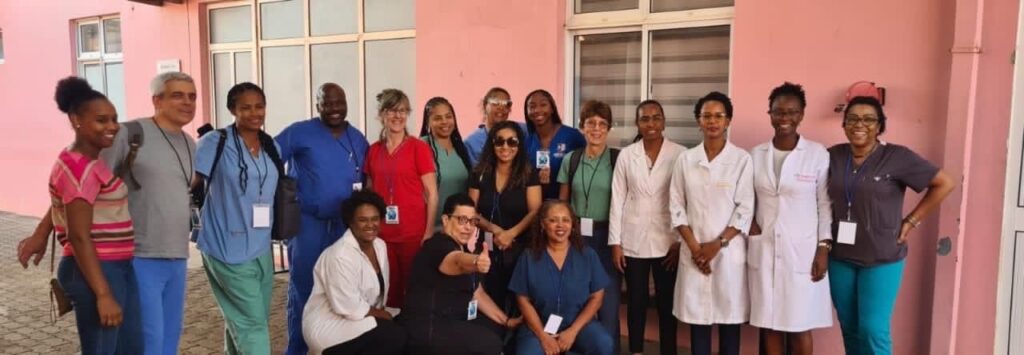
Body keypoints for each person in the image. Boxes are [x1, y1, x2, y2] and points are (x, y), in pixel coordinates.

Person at [20, 72, 199, 355]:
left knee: (166, 341)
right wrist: (41, 233)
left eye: (192, 96)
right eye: (177, 95)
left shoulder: (190, 144)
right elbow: (78, 192)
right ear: (157, 100)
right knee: (145, 341)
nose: (187, 102)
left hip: (176, 255)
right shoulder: (129, 135)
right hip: (136, 256)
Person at [826, 96, 954, 355]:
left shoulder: (897, 156)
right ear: (844, 124)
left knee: (873, 329)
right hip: (840, 257)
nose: (859, 124)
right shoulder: (833, 155)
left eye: (868, 119)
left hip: (882, 257)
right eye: (852, 119)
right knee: (850, 327)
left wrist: (911, 221)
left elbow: (945, 183)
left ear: (880, 125)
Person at [24, 76, 143, 354]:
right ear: (76, 120)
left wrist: (41, 232)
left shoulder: (87, 160)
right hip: (96, 271)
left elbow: (68, 207)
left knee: (131, 347)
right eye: (101, 120)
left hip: (117, 266)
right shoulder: (79, 167)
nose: (112, 126)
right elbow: (78, 236)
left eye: (114, 118)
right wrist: (103, 294)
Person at [276, 83, 370, 355]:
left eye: (339, 103)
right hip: (308, 225)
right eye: (327, 103)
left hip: (344, 226)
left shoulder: (357, 137)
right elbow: (269, 157)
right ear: (317, 105)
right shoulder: (299, 132)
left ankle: (334, 345)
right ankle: (298, 348)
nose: (334, 109)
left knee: (343, 286)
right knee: (304, 286)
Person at [193, 82, 278, 355]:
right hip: (226, 247)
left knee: (248, 320)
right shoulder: (214, 143)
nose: (254, 113)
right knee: (252, 324)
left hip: (261, 248)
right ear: (232, 110)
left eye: (259, 106)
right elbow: (188, 182)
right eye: (246, 107)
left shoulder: (270, 145)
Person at [747, 83, 832, 355]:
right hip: (765, 247)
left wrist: (823, 247)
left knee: (799, 324)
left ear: (802, 114)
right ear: (769, 114)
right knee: (769, 322)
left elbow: (824, 203)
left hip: (802, 250)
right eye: (778, 112)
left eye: (792, 112)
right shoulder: (755, 154)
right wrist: (750, 223)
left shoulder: (817, 154)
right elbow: (746, 197)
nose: (785, 118)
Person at [670, 92, 754, 355]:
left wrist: (717, 244)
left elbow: (745, 208)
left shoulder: (741, 159)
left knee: (729, 323)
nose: (713, 121)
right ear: (699, 121)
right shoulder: (686, 159)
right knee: (699, 324)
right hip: (694, 251)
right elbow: (676, 205)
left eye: (719, 116)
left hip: (727, 252)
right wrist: (696, 249)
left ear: (728, 120)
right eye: (707, 116)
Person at [400, 193, 522, 354]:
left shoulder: (462, 247)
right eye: (462, 220)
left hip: (455, 317)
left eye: (472, 221)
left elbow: (477, 293)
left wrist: (506, 321)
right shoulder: (437, 245)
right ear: (445, 220)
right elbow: (455, 261)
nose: (468, 227)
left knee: (496, 329)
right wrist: (476, 261)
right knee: (489, 344)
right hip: (428, 324)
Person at [608, 100, 685, 355]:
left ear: (663, 121)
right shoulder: (627, 155)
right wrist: (616, 243)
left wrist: (680, 241)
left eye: (656, 118)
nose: (651, 124)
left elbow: (687, 200)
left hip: (669, 239)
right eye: (645, 119)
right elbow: (617, 198)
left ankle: (669, 350)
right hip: (633, 238)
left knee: (666, 302)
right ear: (637, 124)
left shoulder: (680, 154)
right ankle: (637, 350)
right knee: (636, 301)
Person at [303, 190, 406, 355]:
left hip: (362, 317)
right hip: (330, 327)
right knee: (394, 336)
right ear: (351, 222)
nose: (370, 225)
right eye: (362, 220)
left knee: (411, 324)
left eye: (374, 219)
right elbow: (349, 307)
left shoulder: (380, 245)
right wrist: (384, 316)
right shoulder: (339, 255)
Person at [556, 100, 621, 352]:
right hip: (575, 236)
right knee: (575, 297)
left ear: (609, 128)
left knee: (608, 301)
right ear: (582, 127)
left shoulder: (618, 159)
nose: (596, 128)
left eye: (602, 124)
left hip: (606, 236)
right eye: (590, 123)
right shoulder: (571, 160)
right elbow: (562, 203)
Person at [364, 88, 439, 307]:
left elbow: (432, 193)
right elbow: (370, 192)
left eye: (403, 111)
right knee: (387, 289)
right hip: (382, 235)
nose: (398, 116)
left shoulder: (419, 148)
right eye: (392, 111)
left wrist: (428, 231)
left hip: (413, 234)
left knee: (414, 289)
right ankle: (392, 334)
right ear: (381, 115)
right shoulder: (374, 150)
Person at [510, 200, 613, 355]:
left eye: (565, 220)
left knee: (603, 343)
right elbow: (522, 299)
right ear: (542, 225)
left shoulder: (587, 255)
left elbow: (597, 297)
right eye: (553, 220)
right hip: (539, 326)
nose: (560, 225)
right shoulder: (528, 257)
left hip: (578, 324)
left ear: (572, 225)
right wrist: (543, 337)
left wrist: (573, 331)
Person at [469, 120, 542, 314]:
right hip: (486, 247)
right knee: (490, 298)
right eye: (499, 141)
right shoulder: (479, 173)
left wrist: (511, 234)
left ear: (519, 145)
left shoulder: (528, 173)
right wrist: (496, 230)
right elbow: (471, 211)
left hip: (520, 247)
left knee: (520, 301)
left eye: (512, 142)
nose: (505, 147)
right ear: (491, 144)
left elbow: (536, 211)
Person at [419, 97, 472, 230]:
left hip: (458, 228)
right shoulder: (421, 146)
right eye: (437, 118)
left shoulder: (460, 147)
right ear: (428, 122)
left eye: (448, 116)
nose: (444, 122)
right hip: (428, 228)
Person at [524, 89, 586, 200]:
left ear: (552, 108)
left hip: (568, 206)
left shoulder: (572, 136)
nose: (537, 110)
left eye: (543, 105)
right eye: (532, 106)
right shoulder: (527, 141)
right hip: (537, 205)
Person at [465, 87, 515, 166]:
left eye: (506, 104)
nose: (501, 107)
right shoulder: (472, 142)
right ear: (485, 105)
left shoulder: (518, 133)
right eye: (495, 102)